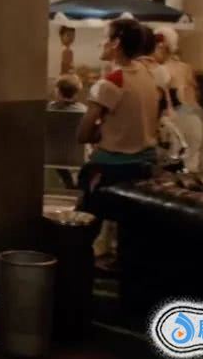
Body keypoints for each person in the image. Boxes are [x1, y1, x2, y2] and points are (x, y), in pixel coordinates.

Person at [76, 19, 161, 260]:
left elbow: (82, 134)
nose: (100, 43)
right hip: (146, 165)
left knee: (82, 228)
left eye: (104, 37)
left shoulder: (111, 83)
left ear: (116, 43)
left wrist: (100, 132)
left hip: (113, 168)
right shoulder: (146, 74)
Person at [153, 27, 197, 107]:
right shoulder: (187, 68)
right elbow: (193, 99)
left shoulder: (161, 70)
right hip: (187, 111)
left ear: (162, 47)